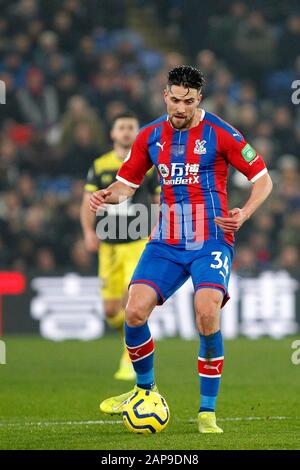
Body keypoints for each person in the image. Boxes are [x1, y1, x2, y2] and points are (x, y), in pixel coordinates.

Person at [89, 66, 273, 433]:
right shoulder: (150, 136)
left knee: (206, 312)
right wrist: (109, 195)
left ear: (199, 99)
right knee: (134, 311)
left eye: (188, 102)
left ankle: (207, 412)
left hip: (211, 239)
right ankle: (144, 391)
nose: (180, 107)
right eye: (174, 99)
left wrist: (245, 213)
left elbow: (263, 180)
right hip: (167, 239)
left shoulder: (222, 133)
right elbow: (128, 184)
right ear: (165, 95)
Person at [81, 112, 159, 381]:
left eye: (131, 127)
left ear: (137, 133)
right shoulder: (100, 165)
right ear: (113, 134)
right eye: (121, 128)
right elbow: (87, 201)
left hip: (138, 242)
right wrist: (88, 231)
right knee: (111, 310)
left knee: (132, 301)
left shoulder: (148, 165)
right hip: (109, 244)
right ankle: (130, 337)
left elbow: (159, 201)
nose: (126, 132)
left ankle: (130, 356)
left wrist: (158, 230)